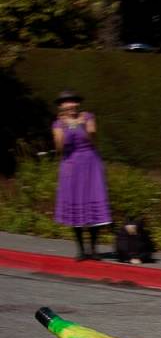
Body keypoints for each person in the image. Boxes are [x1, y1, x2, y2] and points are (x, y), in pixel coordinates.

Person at [52, 90, 111, 261]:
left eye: (73, 101)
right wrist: (64, 127)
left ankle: (93, 248)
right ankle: (80, 249)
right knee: (75, 203)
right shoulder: (57, 124)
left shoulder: (87, 116)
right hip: (71, 167)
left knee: (93, 201)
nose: (71, 104)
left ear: (77, 104)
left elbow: (93, 138)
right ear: (61, 106)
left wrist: (83, 126)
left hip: (90, 164)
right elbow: (59, 148)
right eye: (66, 102)